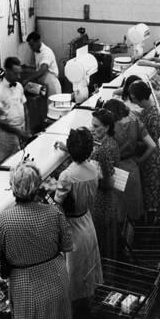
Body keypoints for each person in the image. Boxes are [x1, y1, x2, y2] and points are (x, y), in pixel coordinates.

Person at [0, 161, 74, 319]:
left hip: (25, 284)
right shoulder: (53, 212)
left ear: (13, 187)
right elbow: (67, 245)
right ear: (37, 187)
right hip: (55, 277)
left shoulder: (4, 220)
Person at [52, 128, 103, 301]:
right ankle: (87, 301)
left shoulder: (66, 175)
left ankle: (73, 310)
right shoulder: (94, 168)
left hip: (72, 227)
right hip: (87, 221)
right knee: (87, 266)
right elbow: (82, 160)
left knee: (73, 272)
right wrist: (68, 149)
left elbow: (57, 203)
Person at [103, 99, 157, 223]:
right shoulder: (135, 121)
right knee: (133, 211)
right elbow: (152, 146)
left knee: (119, 214)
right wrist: (139, 161)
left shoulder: (110, 128)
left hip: (116, 172)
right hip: (132, 169)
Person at [128, 81, 160, 223]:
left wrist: (140, 160)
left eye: (134, 98)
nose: (133, 101)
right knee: (153, 191)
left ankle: (152, 223)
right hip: (150, 159)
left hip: (151, 161)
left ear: (140, 98)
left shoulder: (154, 117)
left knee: (151, 193)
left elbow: (151, 145)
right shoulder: (148, 110)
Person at [90, 109, 121, 259]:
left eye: (96, 127)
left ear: (107, 127)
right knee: (108, 240)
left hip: (101, 201)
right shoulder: (111, 142)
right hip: (110, 200)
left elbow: (107, 182)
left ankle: (103, 277)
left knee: (101, 241)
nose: (92, 129)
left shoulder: (103, 150)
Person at [0, 56, 31, 155]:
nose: (19, 77)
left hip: (22, 129)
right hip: (8, 135)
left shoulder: (19, 86)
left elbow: (25, 108)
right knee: (11, 160)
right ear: (7, 71)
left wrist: (27, 129)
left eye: (19, 73)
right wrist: (17, 132)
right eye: (15, 73)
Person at [24, 31, 62, 97]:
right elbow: (38, 68)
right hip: (44, 86)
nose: (31, 48)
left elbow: (42, 70)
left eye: (32, 45)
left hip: (52, 85)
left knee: (53, 106)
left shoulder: (46, 52)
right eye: (30, 46)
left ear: (38, 41)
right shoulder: (36, 51)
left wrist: (28, 79)